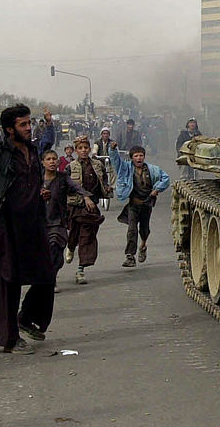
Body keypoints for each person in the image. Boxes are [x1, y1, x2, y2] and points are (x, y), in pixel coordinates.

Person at [0, 86, 56, 355]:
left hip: (32, 222)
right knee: (8, 281)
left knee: (46, 273)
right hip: (4, 223)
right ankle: (9, 338)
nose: (29, 128)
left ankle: (27, 319)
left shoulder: (31, 150)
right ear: (9, 129)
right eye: (23, 124)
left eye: (30, 123)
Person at [16, 149, 94, 341]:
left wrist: (86, 196)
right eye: (48, 159)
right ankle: (27, 317)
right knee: (46, 274)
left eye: (54, 159)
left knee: (53, 265)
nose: (51, 162)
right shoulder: (35, 180)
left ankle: (28, 317)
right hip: (38, 227)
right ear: (42, 162)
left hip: (57, 226)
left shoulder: (62, 178)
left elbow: (76, 187)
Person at [110, 142, 169, 267]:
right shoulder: (125, 168)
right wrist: (113, 149)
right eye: (136, 156)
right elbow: (116, 161)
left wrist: (157, 189)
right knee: (132, 230)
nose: (139, 158)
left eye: (141, 155)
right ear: (132, 158)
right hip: (133, 204)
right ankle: (130, 256)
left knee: (144, 230)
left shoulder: (153, 170)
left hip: (147, 204)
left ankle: (143, 245)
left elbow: (166, 178)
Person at [64, 136, 109, 284]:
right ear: (76, 150)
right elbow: (67, 186)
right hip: (75, 207)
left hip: (91, 209)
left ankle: (80, 270)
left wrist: (106, 190)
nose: (83, 151)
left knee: (87, 237)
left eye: (86, 148)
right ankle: (70, 247)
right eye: (80, 148)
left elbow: (104, 180)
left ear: (89, 149)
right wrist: (84, 197)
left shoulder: (98, 165)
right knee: (74, 235)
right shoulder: (70, 167)